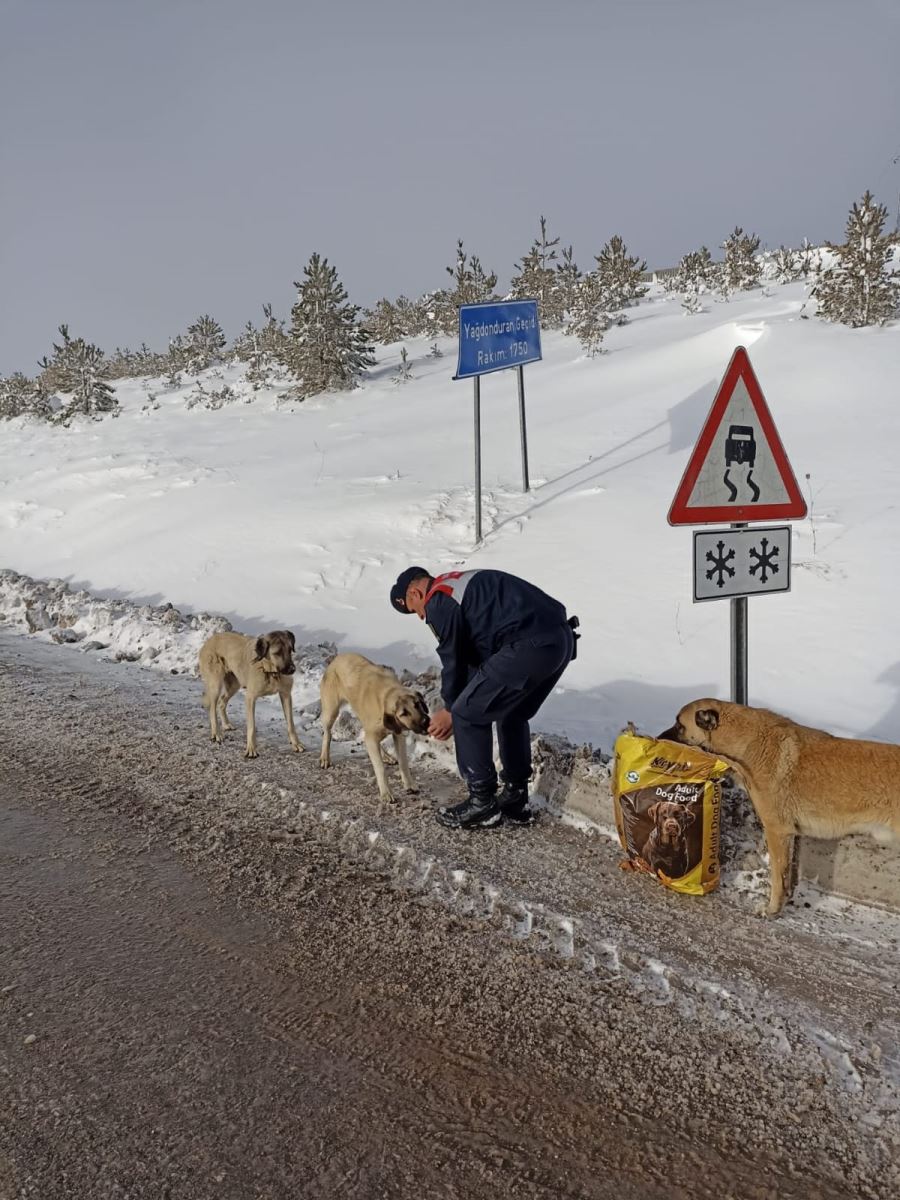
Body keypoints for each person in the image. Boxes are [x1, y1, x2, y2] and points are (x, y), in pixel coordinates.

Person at [390, 566, 579, 830]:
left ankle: (482, 802)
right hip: (559, 640)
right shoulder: (460, 585)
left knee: (467, 713)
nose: (422, 617)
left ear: (415, 592)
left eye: (414, 609)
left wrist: (450, 708)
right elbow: (473, 661)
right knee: (511, 713)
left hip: (528, 645)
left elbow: (453, 660)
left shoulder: (439, 599)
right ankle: (515, 796)